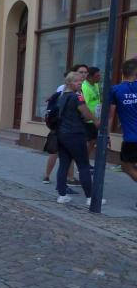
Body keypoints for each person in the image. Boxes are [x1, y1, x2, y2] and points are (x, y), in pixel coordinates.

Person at [56, 71, 100, 205]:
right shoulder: (77, 97)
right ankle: (90, 198)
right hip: (75, 133)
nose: (79, 83)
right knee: (83, 165)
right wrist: (95, 120)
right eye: (76, 81)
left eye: (81, 81)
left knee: (64, 164)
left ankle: (62, 195)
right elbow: (85, 112)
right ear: (69, 83)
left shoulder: (62, 96)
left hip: (62, 133)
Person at [44, 64, 87, 186]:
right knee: (56, 152)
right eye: (81, 72)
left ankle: (67, 179)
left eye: (85, 72)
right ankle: (54, 177)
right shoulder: (66, 89)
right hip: (63, 125)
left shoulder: (80, 89)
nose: (83, 75)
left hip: (67, 125)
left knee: (64, 154)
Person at [110, 58, 137, 207]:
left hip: (132, 138)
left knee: (126, 166)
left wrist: (106, 134)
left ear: (123, 72)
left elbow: (110, 116)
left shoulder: (116, 90)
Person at [81, 66, 102, 158]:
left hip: (95, 119)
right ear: (90, 77)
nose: (100, 77)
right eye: (97, 76)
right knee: (87, 141)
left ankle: (85, 160)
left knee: (93, 141)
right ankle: (81, 161)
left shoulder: (96, 85)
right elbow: (83, 104)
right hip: (88, 120)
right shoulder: (85, 87)